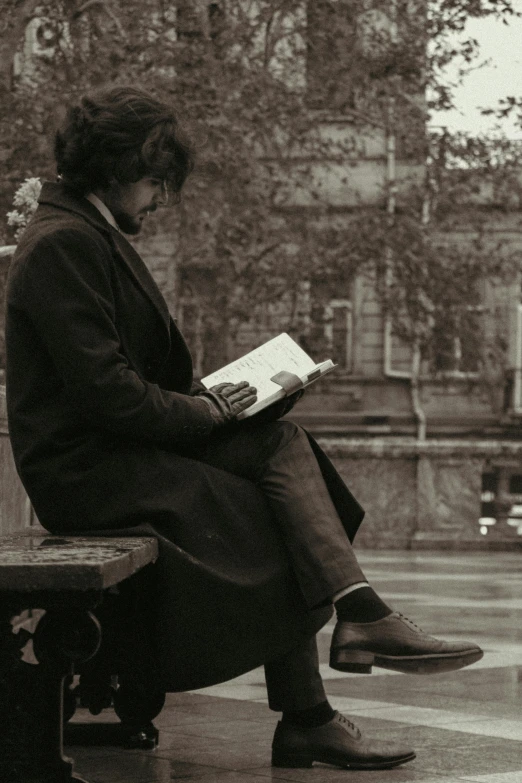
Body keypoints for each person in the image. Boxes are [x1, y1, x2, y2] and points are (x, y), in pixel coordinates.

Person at [5, 87, 483, 771]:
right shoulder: (63, 244)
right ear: (114, 167)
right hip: (89, 471)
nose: (159, 199)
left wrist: (221, 398)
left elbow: (121, 383)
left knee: (281, 443)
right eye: (153, 180)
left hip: (120, 447)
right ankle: (320, 693)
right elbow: (107, 395)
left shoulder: (85, 232)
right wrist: (204, 412)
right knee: (273, 510)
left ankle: (354, 625)